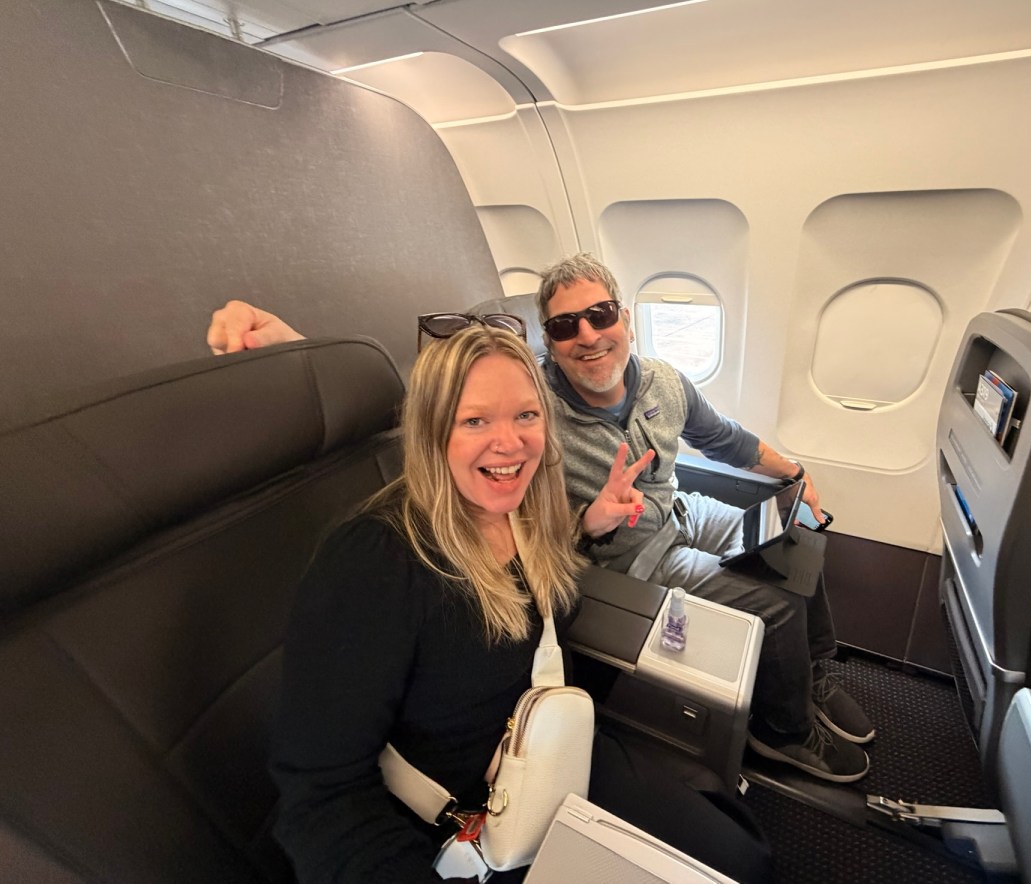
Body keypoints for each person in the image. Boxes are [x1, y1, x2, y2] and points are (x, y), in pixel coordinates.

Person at [209, 256, 875, 784]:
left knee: (799, 539)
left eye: (599, 314)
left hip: (679, 512)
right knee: (773, 612)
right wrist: (300, 348)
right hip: (629, 554)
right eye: (563, 327)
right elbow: (434, 400)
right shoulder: (532, 402)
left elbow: (727, 438)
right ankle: (786, 733)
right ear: (549, 346)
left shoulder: (667, 381)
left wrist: (792, 473)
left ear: (625, 319)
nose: (586, 335)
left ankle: (814, 675)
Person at [269, 320, 771, 883]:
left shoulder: (529, 510)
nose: (509, 443)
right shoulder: (373, 559)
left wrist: (594, 524)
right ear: (433, 432)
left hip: (552, 748)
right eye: (475, 420)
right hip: (465, 817)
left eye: (526, 415)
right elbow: (320, 795)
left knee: (741, 857)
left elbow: (532, 604)